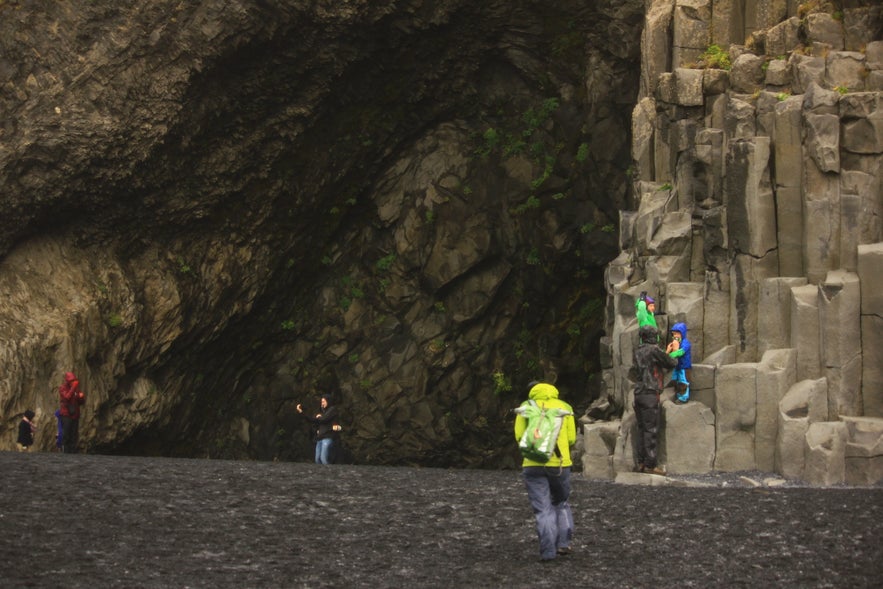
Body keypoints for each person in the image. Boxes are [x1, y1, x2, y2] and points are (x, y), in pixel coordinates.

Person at [513, 382, 577, 562]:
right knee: (561, 503)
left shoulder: (526, 407)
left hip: (532, 464)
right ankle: (564, 544)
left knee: (543, 509)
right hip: (560, 464)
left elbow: (519, 436)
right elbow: (572, 438)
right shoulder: (564, 407)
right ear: (553, 391)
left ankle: (548, 552)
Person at [632, 325, 677, 475]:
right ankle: (651, 465)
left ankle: (640, 463)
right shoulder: (653, 349)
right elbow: (671, 363)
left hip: (638, 393)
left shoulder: (637, 351)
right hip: (650, 393)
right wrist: (674, 350)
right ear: (653, 336)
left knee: (641, 429)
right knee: (651, 429)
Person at [296, 394, 341, 465]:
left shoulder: (332, 409)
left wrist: (319, 417)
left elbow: (324, 419)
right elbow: (313, 420)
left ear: (328, 401)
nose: (322, 404)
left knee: (324, 459)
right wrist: (301, 412)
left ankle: (330, 473)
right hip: (320, 438)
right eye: (321, 402)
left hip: (328, 437)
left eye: (323, 401)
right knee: (317, 459)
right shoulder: (322, 413)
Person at [58, 372, 86, 453]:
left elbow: (81, 402)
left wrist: (81, 397)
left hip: (75, 414)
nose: (73, 382)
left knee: (74, 435)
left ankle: (73, 451)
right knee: (66, 434)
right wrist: (73, 388)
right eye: (72, 381)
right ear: (68, 381)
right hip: (66, 414)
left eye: (74, 381)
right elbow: (66, 398)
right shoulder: (62, 388)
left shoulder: (76, 389)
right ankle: (65, 451)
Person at [666, 322, 693, 404]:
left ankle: (683, 398)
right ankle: (678, 395)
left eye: (677, 334)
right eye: (674, 334)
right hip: (677, 366)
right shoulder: (675, 343)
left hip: (684, 367)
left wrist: (671, 354)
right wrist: (669, 350)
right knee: (676, 381)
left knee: (683, 381)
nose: (675, 336)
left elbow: (680, 353)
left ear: (682, 333)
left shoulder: (685, 343)